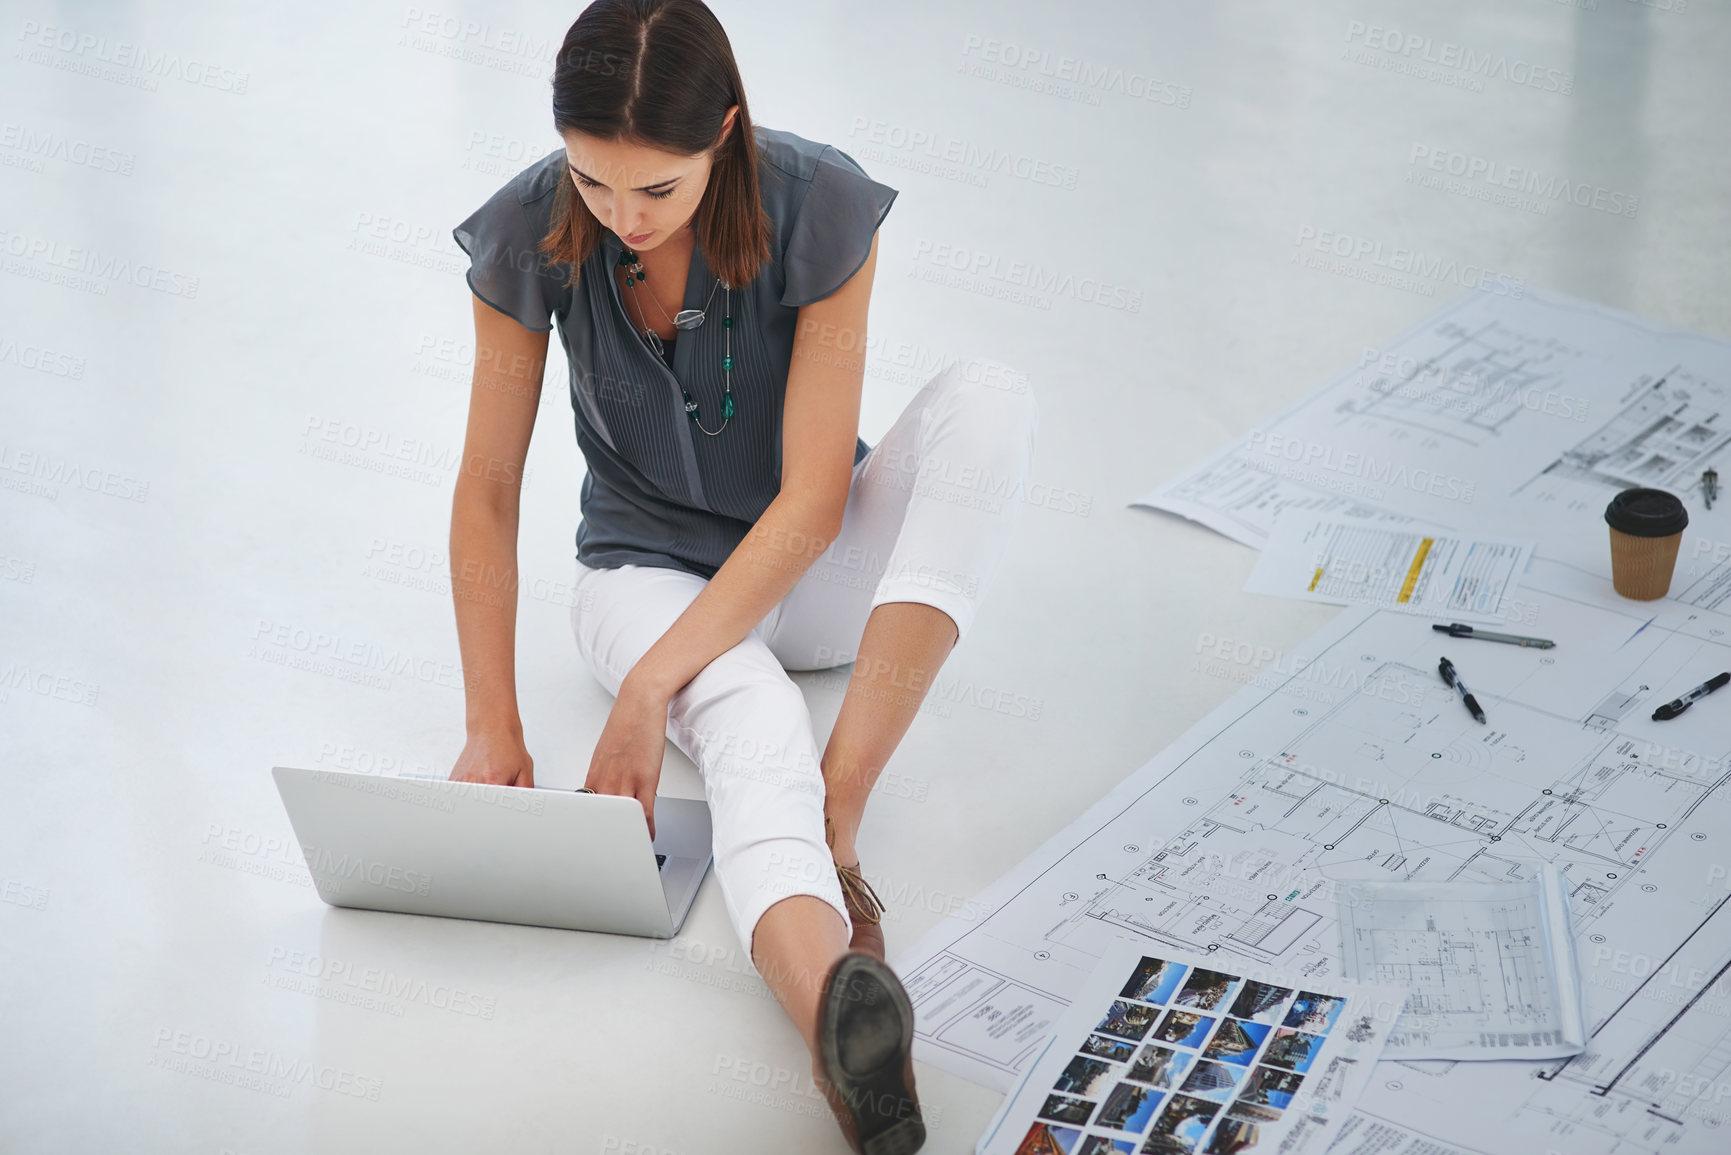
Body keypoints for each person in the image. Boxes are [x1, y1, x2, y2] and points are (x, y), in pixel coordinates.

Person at [445, 1, 1036, 1149]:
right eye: (594, 182)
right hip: (642, 571)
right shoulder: (530, 225)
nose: (622, 219)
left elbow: (817, 498)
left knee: (993, 399)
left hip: (808, 568)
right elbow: (489, 486)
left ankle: (845, 812)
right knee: (755, 716)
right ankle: (845, 1033)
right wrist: (491, 726)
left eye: (657, 191)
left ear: (724, 133)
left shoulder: (816, 204)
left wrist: (647, 690)